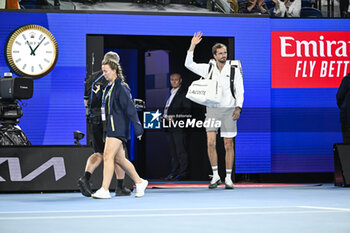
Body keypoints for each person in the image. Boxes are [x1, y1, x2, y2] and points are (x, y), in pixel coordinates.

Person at [185, 32, 244, 189]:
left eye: (225, 53)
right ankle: (216, 176)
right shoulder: (208, 69)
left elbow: (240, 89)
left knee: (228, 144)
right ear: (214, 55)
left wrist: (239, 107)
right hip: (212, 110)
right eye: (220, 53)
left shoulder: (234, 69)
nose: (224, 55)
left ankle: (229, 178)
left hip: (229, 109)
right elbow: (189, 64)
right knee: (211, 143)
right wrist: (192, 45)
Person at [91, 52, 148, 199]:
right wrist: (98, 95)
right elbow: (109, 106)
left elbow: (130, 109)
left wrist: (138, 128)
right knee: (119, 159)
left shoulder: (121, 87)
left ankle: (104, 189)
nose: (103, 74)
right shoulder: (109, 87)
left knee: (108, 156)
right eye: (102, 71)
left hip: (118, 127)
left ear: (114, 70)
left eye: (105, 71)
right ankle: (140, 182)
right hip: (110, 127)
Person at [77, 53, 131, 197]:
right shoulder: (114, 80)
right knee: (120, 153)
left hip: (93, 119)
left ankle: (86, 178)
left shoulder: (91, 78)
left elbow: (85, 102)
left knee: (99, 153)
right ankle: (120, 186)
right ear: (115, 65)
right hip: (109, 121)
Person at [163, 73, 192, 181]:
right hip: (169, 126)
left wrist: (174, 117)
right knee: (173, 151)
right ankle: (174, 172)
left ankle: (183, 173)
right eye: (172, 80)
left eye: (176, 80)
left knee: (181, 150)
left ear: (180, 80)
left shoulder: (184, 93)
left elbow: (187, 110)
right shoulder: (169, 93)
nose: (174, 81)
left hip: (179, 126)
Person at [337, 73, 350, 143]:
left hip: (347, 121)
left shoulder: (347, 79)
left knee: (347, 149)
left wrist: (343, 108)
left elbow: (339, 97)